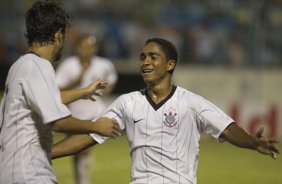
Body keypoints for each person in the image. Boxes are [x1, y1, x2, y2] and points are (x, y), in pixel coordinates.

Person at [52, 38, 279, 184]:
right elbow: (89, 136)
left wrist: (252, 142)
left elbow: (227, 129)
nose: (145, 62)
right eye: (142, 57)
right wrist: (47, 153)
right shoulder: (127, 102)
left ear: (170, 64)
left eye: (153, 56)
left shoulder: (191, 102)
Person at [0, 2, 119, 184]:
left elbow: (43, 99)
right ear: (58, 35)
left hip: (16, 169)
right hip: (29, 174)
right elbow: (57, 121)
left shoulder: (21, 64)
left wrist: (82, 92)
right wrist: (97, 126)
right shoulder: (39, 66)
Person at [56, 34, 118, 184]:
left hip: (96, 111)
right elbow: (56, 90)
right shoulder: (69, 64)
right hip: (74, 114)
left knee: (84, 149)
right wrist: (76, 80)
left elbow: (112, 79)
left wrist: (107, 89)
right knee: (77, 150)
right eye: (84, 46)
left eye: (91, 47)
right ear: (77, 48)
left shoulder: (103, 64)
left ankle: (83, 181)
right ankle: (81, 180)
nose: (88, 50)